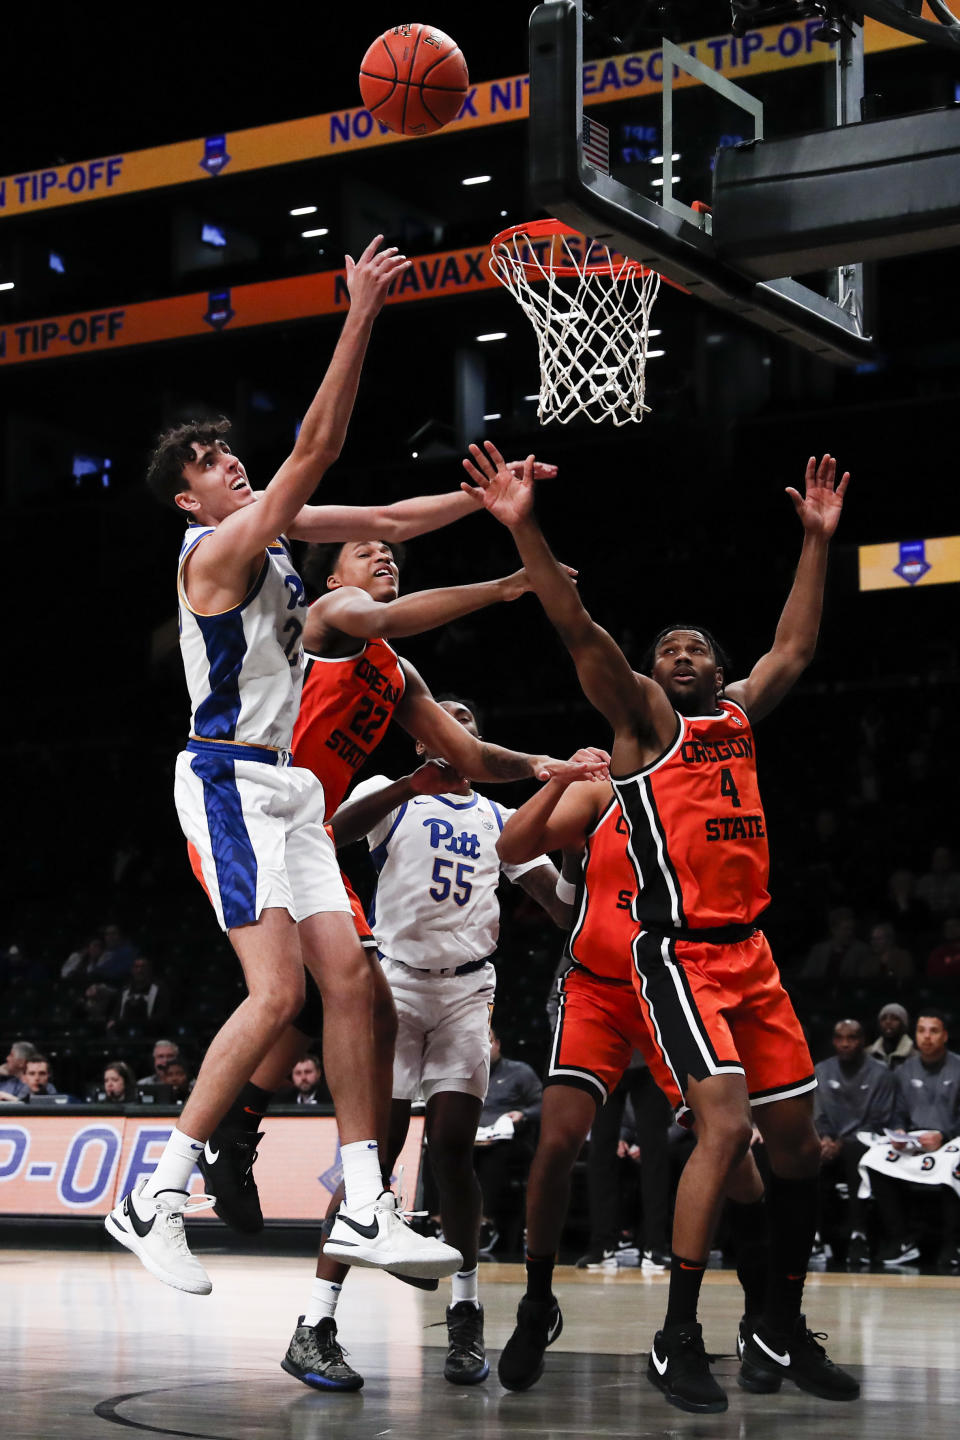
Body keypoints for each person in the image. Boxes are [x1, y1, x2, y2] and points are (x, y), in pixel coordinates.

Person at [105, 235, 477, 1297]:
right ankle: (154, 1192)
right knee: (275, 996)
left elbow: (389, 515)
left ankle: (365, 1201)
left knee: (351, 983)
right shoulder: (215, 551)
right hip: (225, 776)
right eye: (210, 463)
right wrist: (360, 309)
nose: (232, 462)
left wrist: (489, 507)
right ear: (189, 501)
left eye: (230, 452)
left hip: (293, 787)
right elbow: (315, 453)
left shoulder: (268, 536)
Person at [463, 441, 859, 1411]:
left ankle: (778, 1320)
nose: (683, 656)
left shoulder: (739, 717)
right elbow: (579, 626)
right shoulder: (640, 728)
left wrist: (814, 541)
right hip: (672, 955)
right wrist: (524, 527)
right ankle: (674, 1331)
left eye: (699, 649)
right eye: (668, 648)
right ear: (649, 673)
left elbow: (796, 649)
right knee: (717, 1129)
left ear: (719, 668)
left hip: (752, 952)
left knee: (797, 1149)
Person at [282, 700, 576, 1389]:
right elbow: (329, 832)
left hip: (468, 993)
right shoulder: (391, 794)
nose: (461, 727)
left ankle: (466, 1313)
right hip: (396, 987)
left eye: (472, 720)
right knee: (372, 1163)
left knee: (450, 1149)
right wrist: (409, 784)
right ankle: (314, 1325)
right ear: (423, 737)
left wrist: (571, 838)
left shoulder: (501, 818)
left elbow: (564, 907)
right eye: (447, 720)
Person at [494, 774, 768, 1394]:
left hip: (672, 985)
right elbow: (525, 857)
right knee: (559, 1140)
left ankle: (761, 1316)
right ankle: (537, 1303)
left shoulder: (696, 799)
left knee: (736, 1153)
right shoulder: (598, 795)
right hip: (595, 988)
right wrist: (564, 788)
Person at [860, 1011, 960, 1269]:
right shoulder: (904, 1071)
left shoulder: (958, 1066)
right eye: (921, 1030)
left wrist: (944, 1136)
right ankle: (902, 1240)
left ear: (945, 1036)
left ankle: (952, 1245)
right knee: (874, 1159)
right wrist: (899, 1132)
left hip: (951, 1140)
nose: (926, 1037)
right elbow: (898, 1114)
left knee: (955, 1165)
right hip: (917, 1142)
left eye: (933, 1031)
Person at [813, 1019, 896, 1267]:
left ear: (864, 1041)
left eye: (852, 1038)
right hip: (829, 1142)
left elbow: (879, 1119)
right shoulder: (822, 1070)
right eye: (840, 1038)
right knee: (807, 1154)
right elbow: (818, 1113)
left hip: (865, 1143)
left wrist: (841, 1143)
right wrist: (826, 1138)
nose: (846, 1043)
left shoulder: (881, 1073)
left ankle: (858, 1235)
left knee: (854, 1152)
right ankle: (814, 1235)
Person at [474, 1027, 544, 1257]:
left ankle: (486, 1221)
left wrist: (522, 1114)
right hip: (470, 1138)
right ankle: (439, 1221)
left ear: (498, 1044)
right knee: (439, 1149)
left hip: (507, 1140)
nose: (484, 1047)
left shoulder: (520, 1072)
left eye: (489, 1041)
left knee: (496, 1154)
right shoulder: (465, 1072)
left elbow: (542, 1105)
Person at [865, 1003, 915, 1069]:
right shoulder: (867, 1054)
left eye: (894, 1018)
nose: (888, 1022)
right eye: (883, 1018)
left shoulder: (915, 1056)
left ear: (904, 1025)